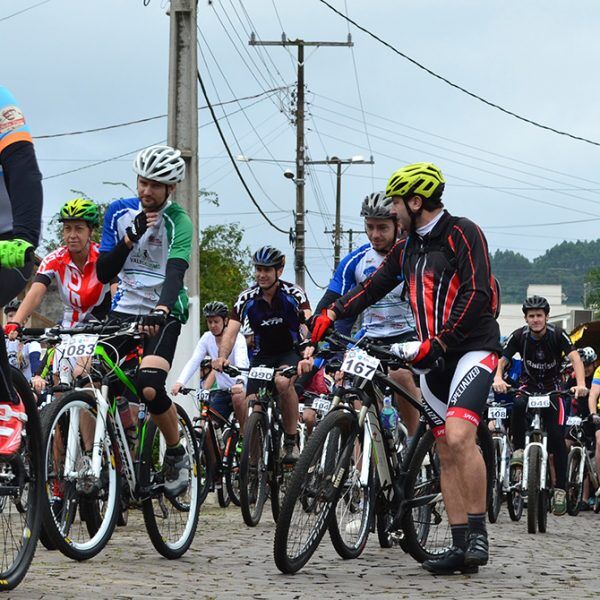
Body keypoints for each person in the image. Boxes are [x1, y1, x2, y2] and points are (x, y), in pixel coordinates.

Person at [310, 162, 501, 574]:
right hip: (430, 355)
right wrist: (335, 311)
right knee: (444, 446)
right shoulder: (408, 246)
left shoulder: (462, 233)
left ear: (416, 202)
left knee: (459, 434)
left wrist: (442, 341)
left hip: (471, 348)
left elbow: (478, 293)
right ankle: (459, 543)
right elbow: (373, 285)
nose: (393, 212)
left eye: (397, 203)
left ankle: (479, 532)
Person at [95, 144, 192, 497]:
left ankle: (177, 454)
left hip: (163, 309)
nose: (146, 191)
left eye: (155, 185)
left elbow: (176, 271)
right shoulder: (119, 212)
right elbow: (104, 272)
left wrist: (163, 309)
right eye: (142, 182)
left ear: (170, 189)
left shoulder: (178, 221)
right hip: (123, 309)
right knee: (91, 380)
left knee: (150, 385)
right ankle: (105, 459)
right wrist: (129, 238)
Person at [314, 191, 420, 436]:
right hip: (370, 336)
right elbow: (333, 299)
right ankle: (360, 463)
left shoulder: (413, 256)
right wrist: (317, 326)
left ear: (398, 225)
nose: (375, 235)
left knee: (400, 375)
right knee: (355, 390)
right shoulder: (356, 260)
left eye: (382, 227)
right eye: (369, 227)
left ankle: (416, 448)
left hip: (408, 335)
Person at [212, 246, 311, 464]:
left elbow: (306, 324)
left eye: (267, 270)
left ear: (279, 270)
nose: (261, 275)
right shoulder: (246, 298)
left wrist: (307, 352)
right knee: (251, 404)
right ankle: (253, 462)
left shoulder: (294, 293)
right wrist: (222, 356)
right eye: (258, 269)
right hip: (262, 356)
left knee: (283, 383)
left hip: (289, 352)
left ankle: (290, 441)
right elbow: (231, 331)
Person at [492, 295, 588, 517]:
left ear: (546, 317)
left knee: (557, 438)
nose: (535, 320)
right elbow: (503, 360)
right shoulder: (519, 336)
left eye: (539, 316)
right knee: (517, 405)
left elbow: (575, 359)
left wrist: (581, 384)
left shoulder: (557, 334)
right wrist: (498, 378)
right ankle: (518, 450)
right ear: (526, 318)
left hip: (553, 388)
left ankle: (561, 489)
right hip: (528, 386)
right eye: (531, 316)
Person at [6, 199, 112, 391]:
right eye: (67, 229)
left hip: (101, 327)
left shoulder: (103, 256)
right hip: (70, 329)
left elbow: (117, 290)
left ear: (91, 231)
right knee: (58, 383)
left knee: (83, 374)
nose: (72, 235)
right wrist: (16, 321)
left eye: (78, 229)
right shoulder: (55, 259)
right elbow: (35, 293)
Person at [0, 85, 43, 455]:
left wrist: (25, 238)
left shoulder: (1, 101)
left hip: (6, 240)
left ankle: (5, 403)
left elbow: (24, 169)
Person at [172, 301, 249, 431]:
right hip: (223, 391)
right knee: (207, 429)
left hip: (241, 389)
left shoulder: (238, 338)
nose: (212, 325)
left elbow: (242, 361)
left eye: (216, 321)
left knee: (238, 397)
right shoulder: (207, 338)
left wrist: (240, 382)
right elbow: (194, 361)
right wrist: (180, 382)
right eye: (209, 322)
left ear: (225, 321)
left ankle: (243, 434)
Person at [3, 299, 41, 381]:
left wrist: (37, 377)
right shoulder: (3, 340)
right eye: (10, 316)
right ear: (6, 319)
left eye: (17, 316)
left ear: (25, 320)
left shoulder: (31, 341)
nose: (14, 319)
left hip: (26, 386)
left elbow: (35, 360)